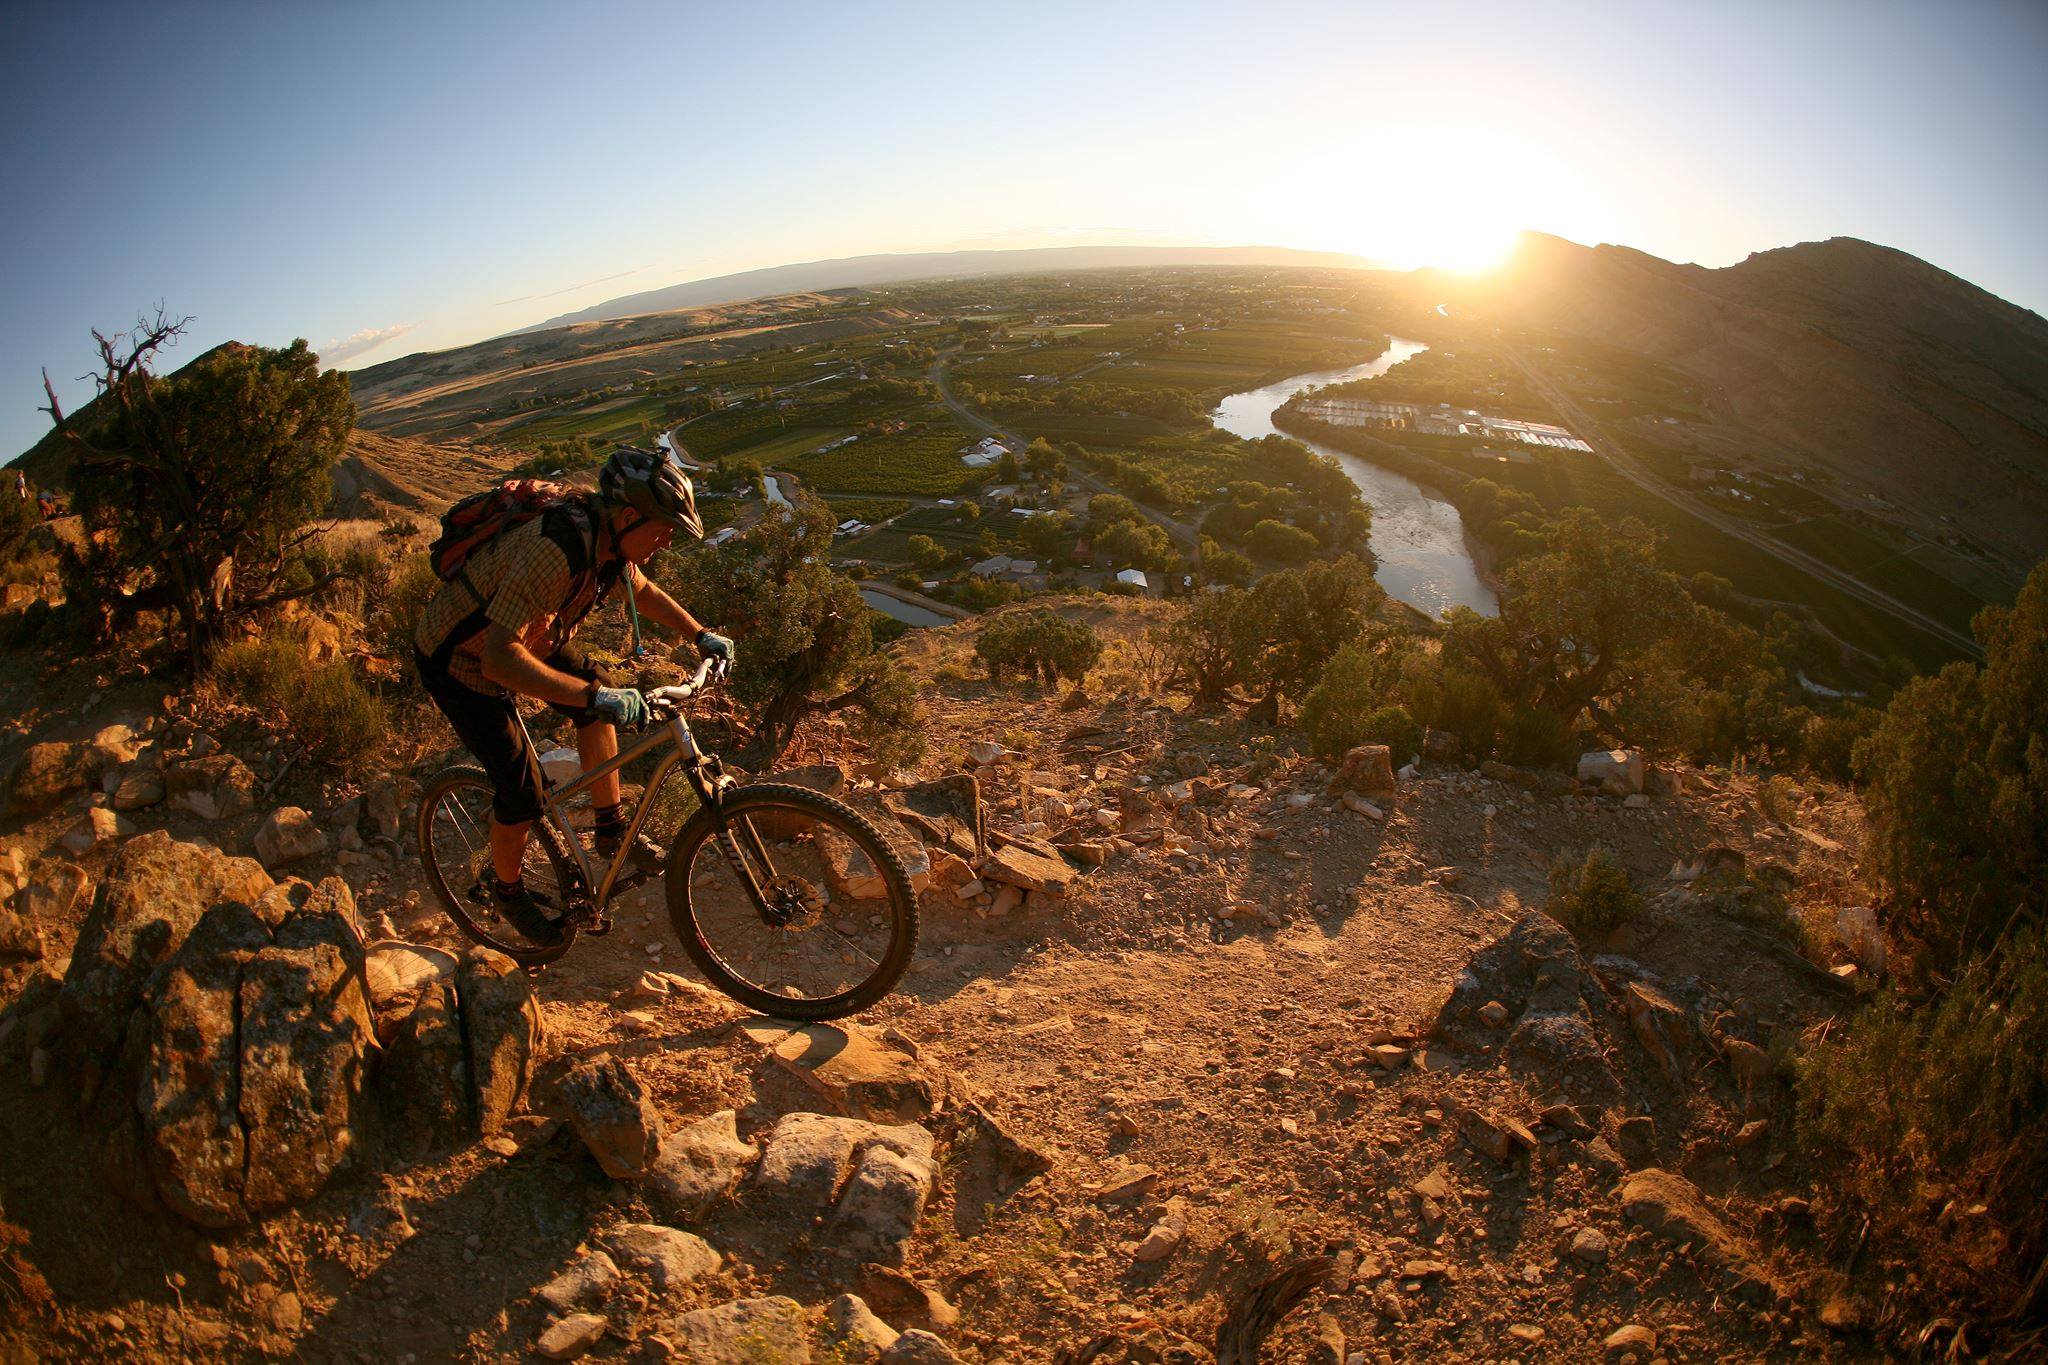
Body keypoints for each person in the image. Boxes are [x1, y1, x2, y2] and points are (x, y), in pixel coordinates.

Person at [413, 448, 734, 945]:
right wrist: (592, 698)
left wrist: (699, 634)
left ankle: (610, 832)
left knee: (598, 694)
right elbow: (500, 658)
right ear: (629, 517)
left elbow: (641, 589)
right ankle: (507, 890)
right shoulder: (555, 550)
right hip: (461, 661)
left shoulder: (610, 545)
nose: (668, 539)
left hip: (528, 643)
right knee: (521, 792)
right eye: (663, 526)